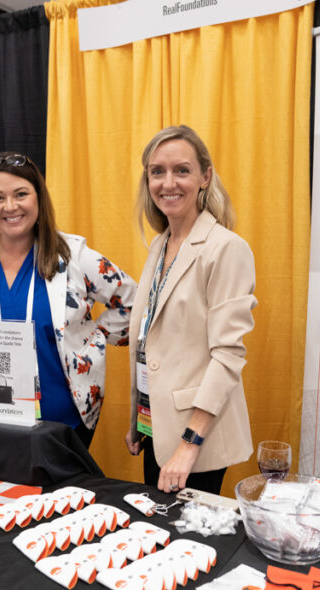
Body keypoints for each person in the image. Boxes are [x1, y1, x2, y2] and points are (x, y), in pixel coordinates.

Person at [0, 152, 135, 447]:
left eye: (21, 194)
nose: (10, 207)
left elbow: (133, 302)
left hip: (62, 426)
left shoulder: (72, 255)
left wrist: (91, 338)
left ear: (38, 198)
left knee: (57, 495)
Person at [125, 126, 257, 494]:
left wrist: (188, 445)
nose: (169, 182)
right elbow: (152, 337)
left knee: (191, 545)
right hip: (157, 426)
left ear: (205, 177)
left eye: (182, 170)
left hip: (196, 438)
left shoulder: (225, 248)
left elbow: (227, 356)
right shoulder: (161, 244)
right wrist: (140, 417)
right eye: (157, 171)